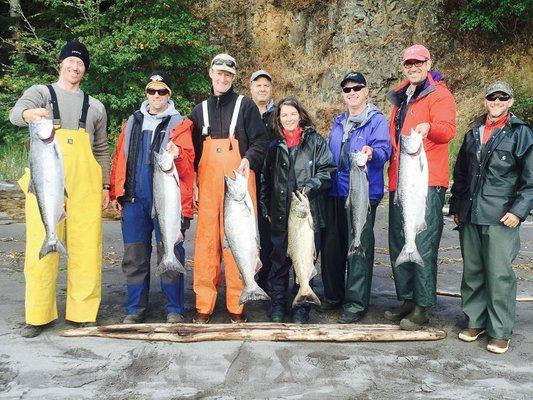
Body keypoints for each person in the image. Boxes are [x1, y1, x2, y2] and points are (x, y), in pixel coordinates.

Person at [9, 40, 110, 338]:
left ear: (85, 70)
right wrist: (30, 115)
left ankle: (83, 313)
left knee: (87, 248)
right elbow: (16, 114)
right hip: (45, 182)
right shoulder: (41, 93)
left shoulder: (95, 106)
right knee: (40, 247)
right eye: (70, 61)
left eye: (80, 63)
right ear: (61, 64)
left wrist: (104, 184)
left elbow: (102, 149)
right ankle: (38, 315)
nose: (75, 66)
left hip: (85, 185)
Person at [449, 81, 532, 354]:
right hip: (470, 214)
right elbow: (460, 173)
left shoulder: (521, 134)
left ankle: (500, 330)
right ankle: (475, 321)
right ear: (485, 101)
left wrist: (518, 212)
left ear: (510, 101)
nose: (496, 102)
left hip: (501, 217)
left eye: (502, 97)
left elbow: (530, 180)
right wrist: (457, 209)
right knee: (472, 271)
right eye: (492, 97)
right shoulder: (473, 132)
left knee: (499, 274)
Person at [109, 71, 195, 324]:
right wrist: (116, 191)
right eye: (152, 90)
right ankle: (135, 308)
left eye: (162, 91)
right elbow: (119, 158)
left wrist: (178, 153)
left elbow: (190, 164)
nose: (156, 96)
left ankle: (174, 308)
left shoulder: (180, 124)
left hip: (167, 200)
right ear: (146, 93)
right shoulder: (133, 121)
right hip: (134, 199)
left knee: (170, 249)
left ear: (169, 94)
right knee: (134, 255)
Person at [189, 54, 268, 323]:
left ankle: (238, 303)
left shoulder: (245, 106)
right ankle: (204, 304)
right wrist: (193, 185)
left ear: (234, 78)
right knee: (206, 244)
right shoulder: (199, 111)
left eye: (228, 75)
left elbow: (260, 141)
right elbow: (190, 152)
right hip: (208, 187)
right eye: (219, 73)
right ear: (210, 73)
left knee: (240, 243)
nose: (223, 79)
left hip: (239, 186)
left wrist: (248, 159)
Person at [385, 44, 457, 330]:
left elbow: (448, 129)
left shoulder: (439, 94)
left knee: (422, 243)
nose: (413, 68)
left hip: (426, 183)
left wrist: (430, 128)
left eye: (418, 63)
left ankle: (422, 307)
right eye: (408, 64)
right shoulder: (403, 98)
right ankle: (406, 298)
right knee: (398, 242)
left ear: (429, 63)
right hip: (399, 182)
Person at [321, 72, 391, 323]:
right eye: (347, 90)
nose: (352, 93)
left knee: (358, 247)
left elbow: (385, 150)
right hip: (336, 192)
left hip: (363, 193)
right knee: (332, 247)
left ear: (366, 91)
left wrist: (372, 153)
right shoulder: (339, 122)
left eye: (356, 88)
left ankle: (355, 302)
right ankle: (333, 296)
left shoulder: (376, 121)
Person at [261, 96, 336, 323]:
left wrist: (310, 186)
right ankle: (277, 304)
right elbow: (265, 179)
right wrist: (265, 205)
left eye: (293, 114)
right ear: (278, 119)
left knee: (304, 259)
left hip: (307, 213)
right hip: (280, 213)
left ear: (300, 115)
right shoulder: (273, 145)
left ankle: (302, 306)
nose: (289, 118)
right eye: (284, 115)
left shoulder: (315, 141)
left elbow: (328, 170)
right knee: (279, 261)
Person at [249, 69, 276, 292]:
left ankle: (267, 279)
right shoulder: (244, 113)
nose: (262, 89)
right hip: (248, 178)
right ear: (251, 88)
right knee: (249, 229)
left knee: (268, 231)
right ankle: (249, 275)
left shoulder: (279, 114)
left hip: (273, 181)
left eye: (266, 85)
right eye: (258, 85)